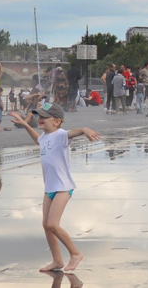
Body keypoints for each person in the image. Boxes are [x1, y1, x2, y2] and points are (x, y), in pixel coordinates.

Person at [8, 102, 100, 272]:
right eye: (39, 116)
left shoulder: (61, 135)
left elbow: (75, 132)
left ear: (57, 121)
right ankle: (57, 260)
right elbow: (38, 139)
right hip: (49, 187)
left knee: (52, 224)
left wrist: (85, 129)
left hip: (63, 187)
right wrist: (25, 124)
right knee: (46, 224)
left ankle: (75, 253)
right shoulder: (44, 137)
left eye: (44, 117)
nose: (40, 119)